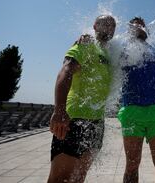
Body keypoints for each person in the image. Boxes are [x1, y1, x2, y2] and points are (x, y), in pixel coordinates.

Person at [47, 15, 116, 183]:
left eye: (112, 25)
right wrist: (60, 110)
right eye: (104, 23)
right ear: (94, 26)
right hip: (75, 118)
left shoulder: (109, 52)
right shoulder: (86, 44)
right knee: (60, 177)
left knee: (78, 178)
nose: (109, 27)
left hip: (96, 122)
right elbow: (66, 70)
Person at [117, 17, 155, 183]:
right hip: (131, 111)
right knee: (132, 164)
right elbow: (105, 52)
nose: (138, 26)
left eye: (142, 24)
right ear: (129, 30)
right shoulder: (122, 49)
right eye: (134, 24)